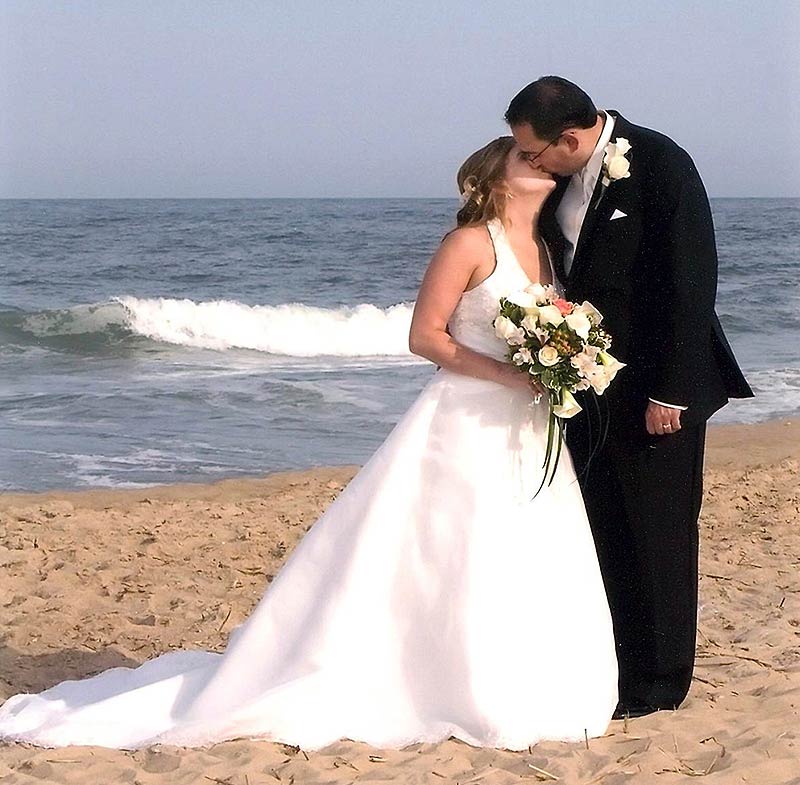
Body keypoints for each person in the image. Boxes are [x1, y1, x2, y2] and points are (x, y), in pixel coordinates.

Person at [0, 137, 618, 751]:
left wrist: (562, 363)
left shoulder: (543, 248)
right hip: (465, 415)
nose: (538, 165)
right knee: (452, 545)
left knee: (522, 545)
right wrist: (511, 373)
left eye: (541, 159)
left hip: (528, 423)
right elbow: (425, 337)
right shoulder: (468, 243)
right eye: (523, 157)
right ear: (494, 175)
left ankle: (517, 677)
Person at [505, 76, 753, 719]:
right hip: (589, 384)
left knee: (660, 533)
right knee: (608, 527)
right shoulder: (558, 178)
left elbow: (692, 281)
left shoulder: (661, 162)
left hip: (659, 389)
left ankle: (662, 684)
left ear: (570, 137)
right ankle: (619, 670)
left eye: (533, 151)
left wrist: (673, 389)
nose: (528, 162)